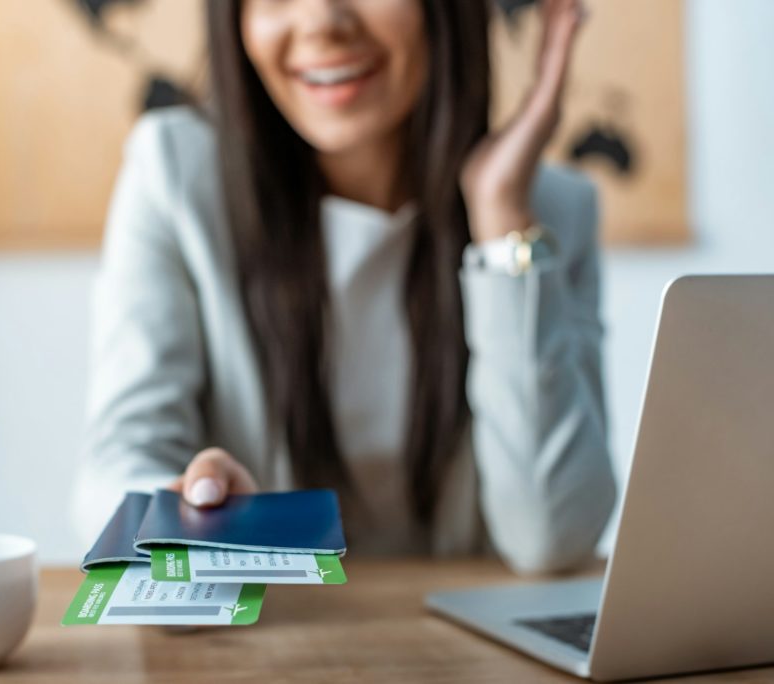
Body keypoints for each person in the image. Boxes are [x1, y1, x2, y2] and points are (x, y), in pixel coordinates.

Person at [72, 0, 616, 573]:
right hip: (266, 644)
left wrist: (503, 222)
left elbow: (553, 537)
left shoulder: (547, 214)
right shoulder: (174, 175)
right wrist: (185, 514)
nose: (321, 22)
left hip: (465, 657)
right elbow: (111, 479)